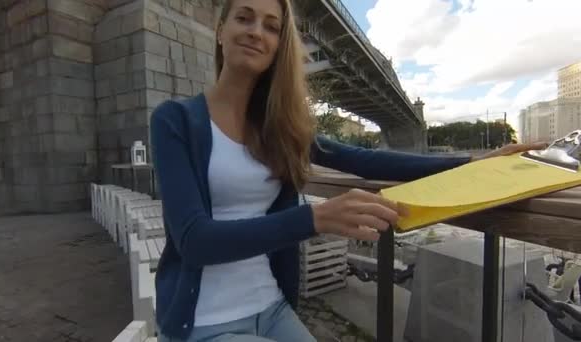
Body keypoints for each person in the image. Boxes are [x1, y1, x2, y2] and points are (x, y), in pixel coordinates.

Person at [150, 0, 546, 341]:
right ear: (220, 30)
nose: (256, 32)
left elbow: (367, 160)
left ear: (277, 47)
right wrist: (315, 218)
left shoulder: (276, 127)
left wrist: (472, 162)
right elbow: (195, 240)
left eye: (271, 26)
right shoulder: (176, 121)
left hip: (269, 306)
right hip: (203, 323)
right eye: (244, 18)